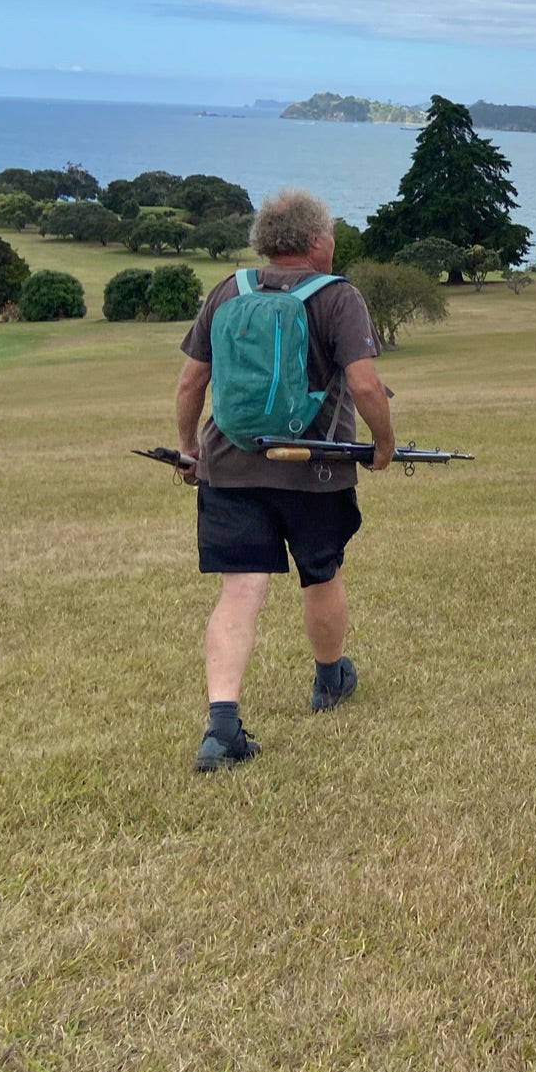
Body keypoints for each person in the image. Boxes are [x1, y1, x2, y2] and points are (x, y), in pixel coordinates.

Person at [173, 188, 394, 773]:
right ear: (317, 241)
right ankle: (329, 680)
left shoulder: (227, 291)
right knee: (321, 573)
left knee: (239, 590)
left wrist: (190, 449)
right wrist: (385, 445)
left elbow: (191, 384)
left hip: (229, 463)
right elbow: (367, 386)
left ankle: (222, 727)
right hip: (315, 468)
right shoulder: (338, 297)